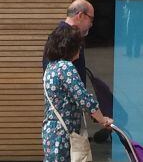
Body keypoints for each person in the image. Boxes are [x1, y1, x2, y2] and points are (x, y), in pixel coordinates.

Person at [42, 24, 113, 162]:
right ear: (69, 47)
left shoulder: (52, 66)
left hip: (52, 132)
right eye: (78, 46)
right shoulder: (65, 67)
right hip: (62, 135)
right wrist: (103, 120)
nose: (80, 50)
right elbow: (84, 98)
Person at [43, 0, 95, 82]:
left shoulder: (59, 35)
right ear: (80, 15)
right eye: (91, 19)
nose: (91, 24)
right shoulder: (66, 37)